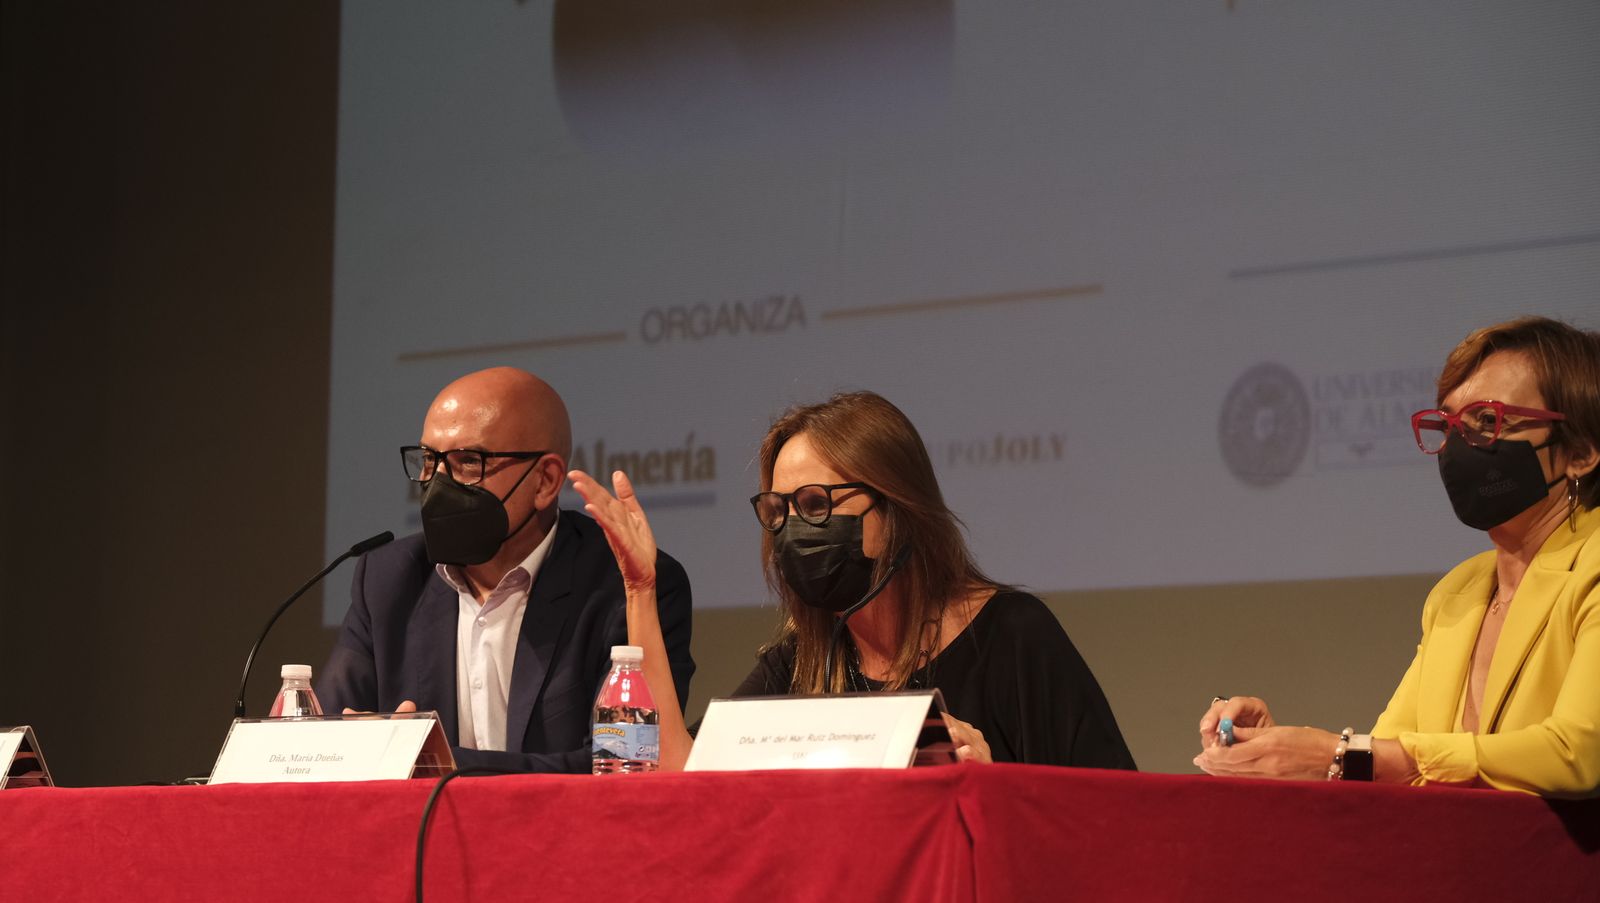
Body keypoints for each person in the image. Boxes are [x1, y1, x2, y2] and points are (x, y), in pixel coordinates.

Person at [570, 390, 1135, 771]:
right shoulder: (801, 661)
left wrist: (989, 785)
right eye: (779, 509)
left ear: (897, 509)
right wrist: (641, 589)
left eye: (817, 504)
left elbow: (1109, 815)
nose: (793, 528)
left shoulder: (1012, 636)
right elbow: (679, 771)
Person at [1196, 317, 1600, 797]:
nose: (1457, 448)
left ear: (1579, 452)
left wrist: (1338, 754)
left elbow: (1576, 753)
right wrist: (1282, 751)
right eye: (1449, 424)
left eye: (1487, 422)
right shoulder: (1458, 592)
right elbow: (1386, 764)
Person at [317, 367, 695, 773]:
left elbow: (621, 765)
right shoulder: (389, 579)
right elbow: (324, 742)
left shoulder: (628, 587)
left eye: (467, 462)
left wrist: (424, 760)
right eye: (429, 461)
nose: (437, 484)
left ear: (545, 481)